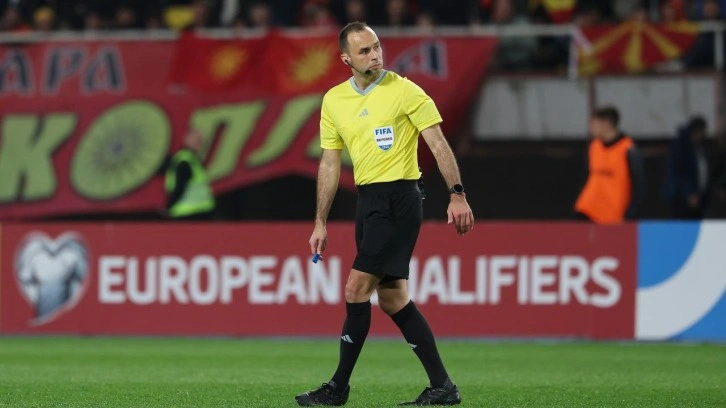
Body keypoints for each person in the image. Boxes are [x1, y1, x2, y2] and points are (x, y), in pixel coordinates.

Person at [295, 22, 474, 407]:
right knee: (393, 299)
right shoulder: (334, 100)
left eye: (376, 46)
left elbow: (437, 143)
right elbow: (330, 163)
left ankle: (337, 388)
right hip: (368, 203)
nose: (375, 54)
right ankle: (442, 387)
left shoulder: (405, 90)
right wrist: (320, 221)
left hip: (399, 200)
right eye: (364, 51)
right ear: (346, 59)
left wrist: (457, 194)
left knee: (355, 289)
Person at [575, 106, 645, 223]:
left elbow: (639, 186)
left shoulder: (628, 149)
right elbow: (585, 178)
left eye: (593, 123)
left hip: (613, 214)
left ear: (606, 124)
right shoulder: (594, 147)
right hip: (588, 209)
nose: (590, 128)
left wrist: (629, 215)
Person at [662, 117, 710, 219]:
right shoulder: (682, 147)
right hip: (682, 198)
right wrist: (688, 193)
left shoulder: (696, 147)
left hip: (696, 197)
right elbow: (679, 172)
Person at [164, 129, 215, 220]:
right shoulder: (185, 161)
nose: (198, 143)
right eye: (195, 140)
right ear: (186, 139)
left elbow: (180, 186)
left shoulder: (190, 158)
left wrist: (169, 206)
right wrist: (170, 205)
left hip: (191, 211)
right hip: (191, 212)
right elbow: (180, 186)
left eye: (200, 140)